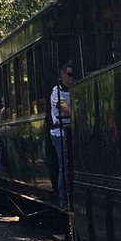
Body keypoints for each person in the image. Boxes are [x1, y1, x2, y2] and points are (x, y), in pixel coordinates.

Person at [49, 64, 75, 209]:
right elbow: (62, 105)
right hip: (60, 131)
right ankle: (64, 199)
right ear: (63, 75)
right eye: (69, 74)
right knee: (64, 165)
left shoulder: (74, 88)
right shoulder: (56, 91)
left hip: (73, 129)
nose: (72, 77)